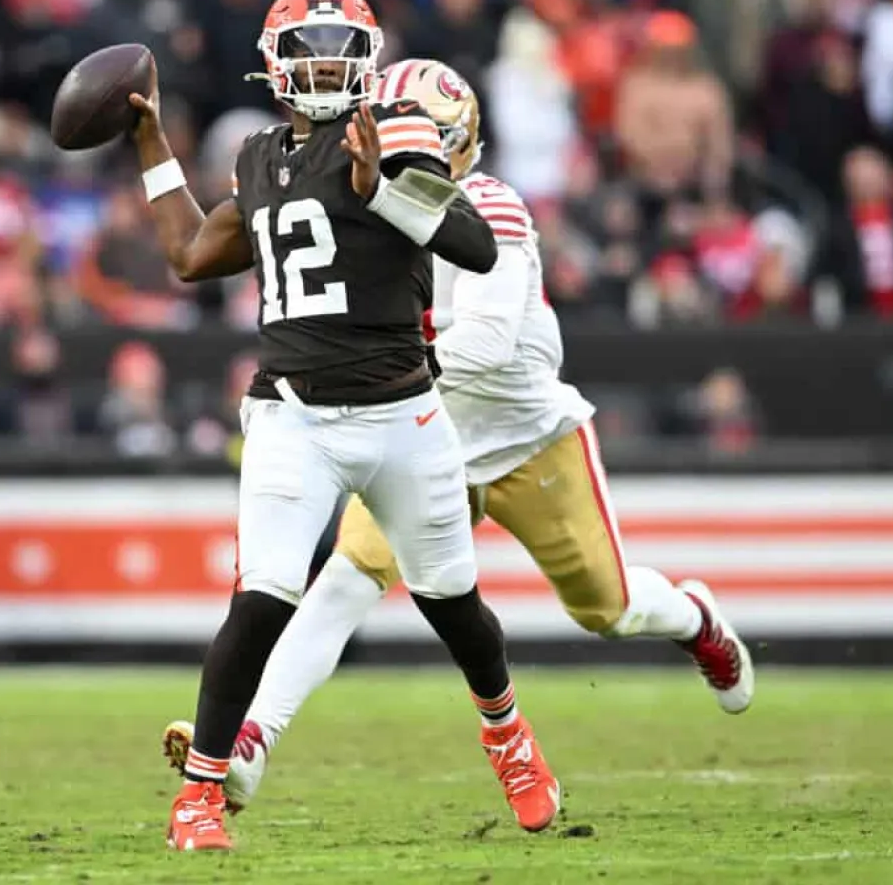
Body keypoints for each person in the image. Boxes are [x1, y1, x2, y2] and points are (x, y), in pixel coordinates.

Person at [162, 60, 756, 814]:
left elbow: (489, 342)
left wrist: (378, 372)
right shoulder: (352, 194)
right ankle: (253, 741)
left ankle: (694, 618)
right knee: (345, 579)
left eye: (429, 137)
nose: (413, 151)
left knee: (605, 607)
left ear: (460, 144)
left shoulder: (490, 206)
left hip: (522, 437)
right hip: (416, 429)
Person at [125, 0, 556, 851]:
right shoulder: (257, 156)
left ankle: (508, 735)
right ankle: (199, 797)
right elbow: (190, 252)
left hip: (403, 413)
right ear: (274, 65)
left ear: (366, 61)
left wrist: (381, 186)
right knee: (261, 601)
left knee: (454, 604)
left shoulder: (396, 130)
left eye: (338, 53)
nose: (324, 68)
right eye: (307, 53)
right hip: (292, 415)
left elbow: (474, 246)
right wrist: (150, 140)